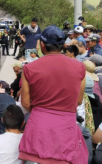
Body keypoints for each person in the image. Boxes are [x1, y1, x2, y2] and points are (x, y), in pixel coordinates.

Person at [19, 25, 88, 163]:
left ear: (42, 45)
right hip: (65, 130)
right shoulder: (80, 67)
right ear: (63, 45)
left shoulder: (29, 68)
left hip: (38, 130)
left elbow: (25, 103)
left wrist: (42, 110)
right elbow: (79, 101)